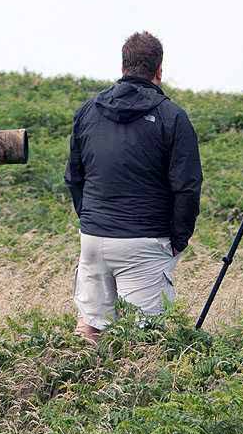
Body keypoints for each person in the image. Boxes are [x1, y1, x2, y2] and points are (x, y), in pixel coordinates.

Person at [64, 32, 202, 342]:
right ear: (159, 70)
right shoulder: (173, 117)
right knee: (145, 340)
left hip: (94, 238)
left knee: (89, 328)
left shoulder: (87, 112)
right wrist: (178, 239)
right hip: (145, 240)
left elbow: (74, 177)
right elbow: (187, 188)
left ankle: (72, 386)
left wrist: (90, 220)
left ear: (123, 66)